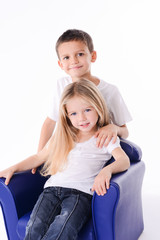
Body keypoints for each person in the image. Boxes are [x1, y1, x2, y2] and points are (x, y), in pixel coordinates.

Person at [0, 79, 130, 240]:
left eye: (87, 110)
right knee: (34, 228)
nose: (81, 118)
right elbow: (38, 157)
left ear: (98, 107)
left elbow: (124, 160)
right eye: (73, 113)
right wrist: (14, 168)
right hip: (51, 190)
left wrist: (107, 170)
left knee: (62, 230)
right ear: (67, 116)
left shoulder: (104, 137)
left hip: (80, 195)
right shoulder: (63, 136)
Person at [37, 29, 132, 156]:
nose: (74, 61)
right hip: (67, 154)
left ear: (93, 56)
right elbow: (49, 123)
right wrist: (39, 156)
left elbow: (125, 132)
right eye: (66, 57)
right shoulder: (61, 85)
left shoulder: (110, 91)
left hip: (96, 154)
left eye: (80, 54)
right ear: (60, 64)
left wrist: (113, 128)